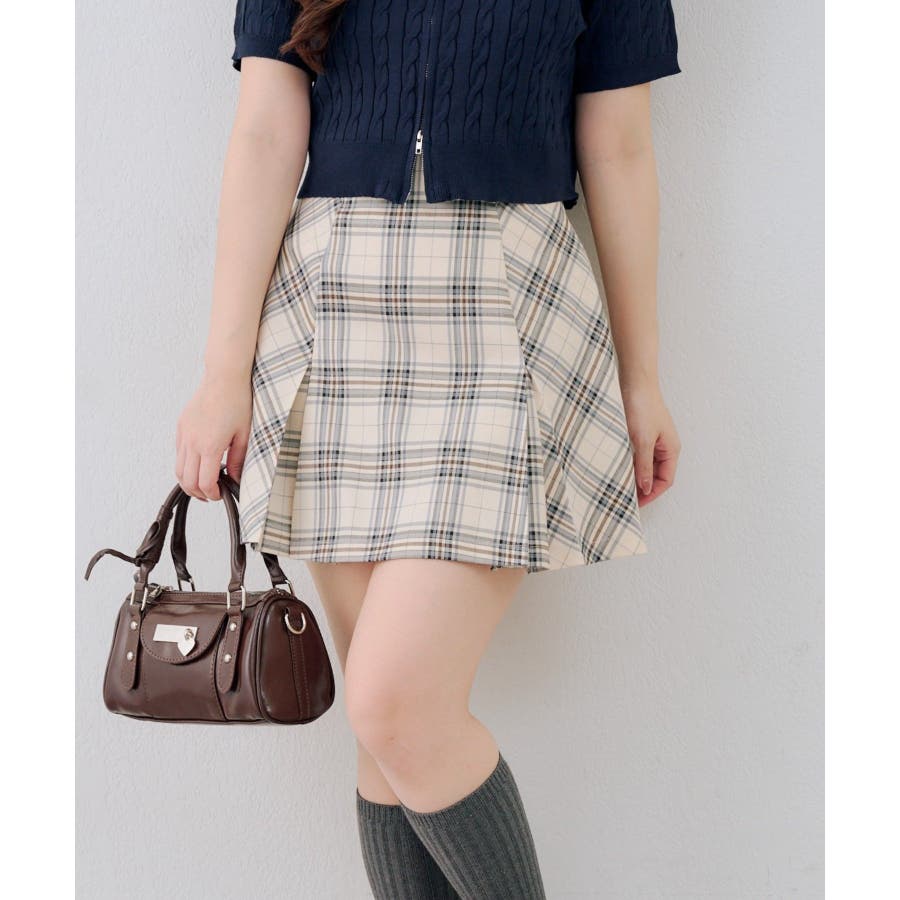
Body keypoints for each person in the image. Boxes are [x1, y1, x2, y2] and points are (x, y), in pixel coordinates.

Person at [175, 1, 682, 896]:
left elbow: (619, 147)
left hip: (507, 304)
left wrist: (641, 376)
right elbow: (264, 134)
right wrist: (223, 373)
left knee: (396, 704)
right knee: (383, 735)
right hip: (334, 305)